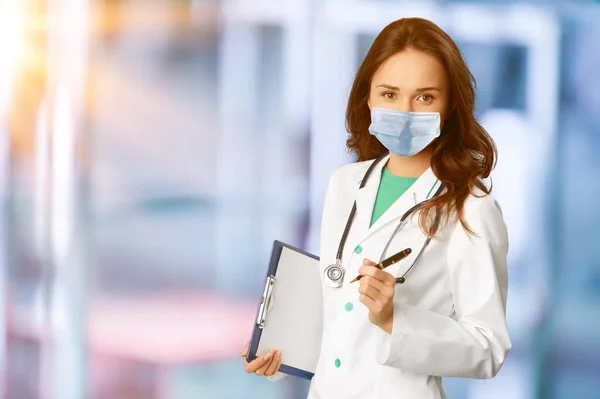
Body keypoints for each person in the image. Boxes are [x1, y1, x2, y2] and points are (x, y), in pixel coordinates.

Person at [242, 17, 511, 399]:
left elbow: (488, 348)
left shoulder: (471, 208)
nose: (405, 110)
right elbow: (337, 312)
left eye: (425, 97)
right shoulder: (345, 183)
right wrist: (276, 354)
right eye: (389, 94)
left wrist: (393, 319)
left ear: (450, 106)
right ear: (367, 97)